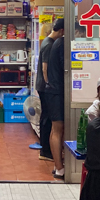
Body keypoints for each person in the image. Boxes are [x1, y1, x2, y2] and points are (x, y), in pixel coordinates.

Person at [36, 18, 65, 161]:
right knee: (47, 119)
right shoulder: (49, 44)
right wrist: (50, 85)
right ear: (62, 31)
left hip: (45, 86)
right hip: (46, 87)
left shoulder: (48, 42)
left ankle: (46, 149)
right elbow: (45, 68)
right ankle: (46, 151)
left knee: (46, 117)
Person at [43, 19, 66, 178]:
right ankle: (59, 168)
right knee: (57, 129)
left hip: (52, 91)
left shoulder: (54, 43)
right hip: (56, 91)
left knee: (55, 129)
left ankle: (58, 167)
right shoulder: (60, 44)